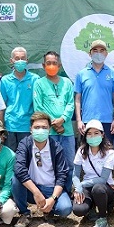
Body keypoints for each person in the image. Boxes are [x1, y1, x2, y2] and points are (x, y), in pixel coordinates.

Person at [11, 111, 72, 227]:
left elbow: (61, 176)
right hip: (31, 189)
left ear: (49, 130)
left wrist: (53, 199)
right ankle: (24, 214)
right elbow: (19, 169)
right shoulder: (25, 144)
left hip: (51, 188)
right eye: (37, 127)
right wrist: (36, 192)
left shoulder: (56, 147)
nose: (40, 130)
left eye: (44, 127)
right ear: (31, 129)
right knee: (15, 179)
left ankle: (49, 209)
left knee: (65, 209)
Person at [33, 51, 75, 193]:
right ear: (44, 65)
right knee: (50, 164)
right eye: (48, 63)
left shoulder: (67, 83)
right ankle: (51, 193)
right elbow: (38, 107)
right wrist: (54, 124)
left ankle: (67, 193)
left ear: (60, 65)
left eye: (54, 63)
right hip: (48, 132)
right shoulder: (39, 83)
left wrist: (62, 119)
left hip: (67, 131)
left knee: (69, 163)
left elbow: (70, 104)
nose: (51, 66)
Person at [72, 119, 114, 227]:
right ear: (85, 136)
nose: (92, 136)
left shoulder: (109, 152)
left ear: (102, 135)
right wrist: (78, 187)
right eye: (89, 134)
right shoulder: (81, 151)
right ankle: (90, 209)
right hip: (87, 187)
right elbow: (75, 175)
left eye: (96, 133)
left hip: (104, 188)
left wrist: (82, 184)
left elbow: (103, 179)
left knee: (98, 188)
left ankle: (102, 218)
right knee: (78, 209)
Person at [74, 39, 114, 144]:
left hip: (107, 121)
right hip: (87, 121)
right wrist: (79, 120)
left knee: (107, 152)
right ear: (90, 54)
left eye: (101, 50)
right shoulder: (81, 74)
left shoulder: (113, 74)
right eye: (95, 50)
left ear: (106, 54)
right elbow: (77, 99)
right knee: (86, 154)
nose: (98, 53)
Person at [0, 46, 40, 152]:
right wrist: (1, 128)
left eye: (23, 58)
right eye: (17, 58)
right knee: (10, 158)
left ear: (27, 60)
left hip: (27, 126)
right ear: (11, 61)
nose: (20, 61)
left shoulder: (35, 79)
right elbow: (1, 106)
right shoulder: (5, 80)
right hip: (10, 126)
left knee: (27, 158)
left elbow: (38, 105)